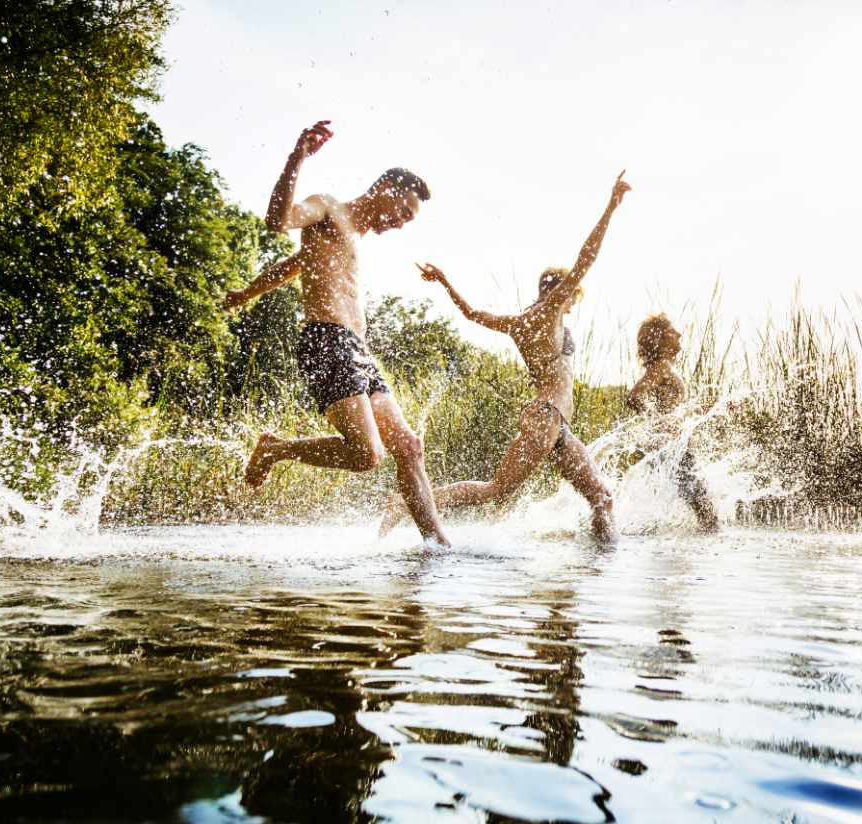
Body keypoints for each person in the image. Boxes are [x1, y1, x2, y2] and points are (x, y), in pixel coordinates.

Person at [223, 120, 449, 546]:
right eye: (404, 211)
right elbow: (278, 220)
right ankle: (276, 448)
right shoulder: (327, 208)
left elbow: (292, 266)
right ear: (387, 188)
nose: (402, 223)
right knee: (367, 455)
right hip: (325, 341)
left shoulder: (352, 238)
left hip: (358, 350)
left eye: (409, 219)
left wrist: (249, 291)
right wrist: (298, 157)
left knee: (409, 446)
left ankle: (438, 547)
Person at [379, 172, 632, 544]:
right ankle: (405, 503)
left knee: (602, 497)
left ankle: (598, 568)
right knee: (497, 488)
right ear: (563, 293)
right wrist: (611, 206)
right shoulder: (549, 311)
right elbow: (586, 257)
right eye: (568, 293)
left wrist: (446, 282)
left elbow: (470, 313)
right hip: (546, 417)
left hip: (555, 423)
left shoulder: (519, 322)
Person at [626, 313, 720, 532]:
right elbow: (633, 396)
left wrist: (705, 409)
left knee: (702, 506)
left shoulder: (665, 366)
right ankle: (707, 554)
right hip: (671, 446)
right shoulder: (660, 367)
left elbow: (672, 408)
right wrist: (660, 421)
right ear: (659, 338)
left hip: (674, 445)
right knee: (706, 510)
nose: (679, 334)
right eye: (672, 331)